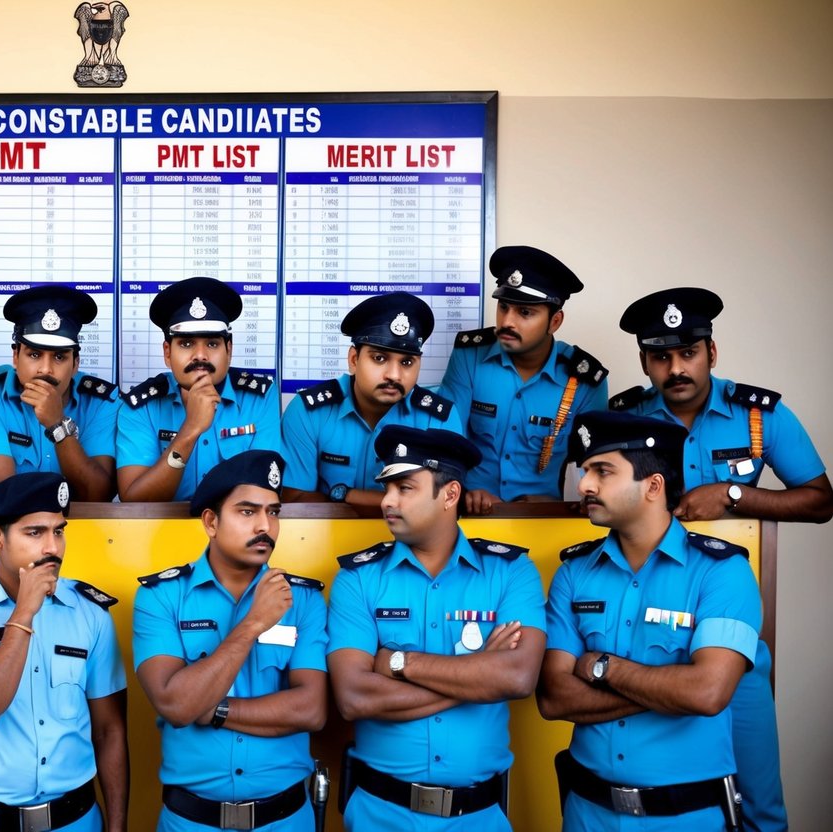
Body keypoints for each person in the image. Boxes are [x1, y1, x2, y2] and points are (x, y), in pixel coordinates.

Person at [611, 288, 833, 831]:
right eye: (661, 356)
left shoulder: (758, 416)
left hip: (729, 630)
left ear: (712, 351)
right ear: (644, 362)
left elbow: (821, 499)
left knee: (758, 804)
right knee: (651, 791)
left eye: (688, 352)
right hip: (642, 632)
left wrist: (734, 496)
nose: (676, 368)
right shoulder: (621, 417)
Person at [537, 410, 760, 831]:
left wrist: (601, 667)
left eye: (602, 471)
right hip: (587, 813)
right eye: (585, 471)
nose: (584, 485)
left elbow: (708, 694)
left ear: (653, 485)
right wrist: (670, 690)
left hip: (686, 818)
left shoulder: (722, 572)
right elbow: (554, 698)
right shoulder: (573, 573)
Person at [327, 425, 545, 830]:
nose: (387, 500)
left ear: (450, 494)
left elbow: (516, 677)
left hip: (477, 818)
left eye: (404, 487)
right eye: (386, 487)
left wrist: (395, 663)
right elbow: (354, 697)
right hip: (379, 814)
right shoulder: (357, 578)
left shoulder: (511, 572)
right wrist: (478, 675)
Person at [133, 450, 327, 830]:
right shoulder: (161, 597)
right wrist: (251, 624)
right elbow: (175, 704)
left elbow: (311, 710)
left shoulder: (302, 598)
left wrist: (214, 711)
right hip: (192, 821)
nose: (265, 526)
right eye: (247, 511)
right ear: (210, 521)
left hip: (286, 820)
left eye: (273, 512)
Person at [0, 472, 128, 832]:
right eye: (34, 533)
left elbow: (110, 730)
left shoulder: (90, 611)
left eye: (59, 531)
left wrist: (116, 827)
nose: (52, 547)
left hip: (76, 821)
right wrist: (23, 612)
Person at [440, 245, 609, 513]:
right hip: (470, 512)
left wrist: (559, 503)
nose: (507, 321)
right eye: (503, 306)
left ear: (555, 322)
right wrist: (464, 489)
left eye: (525, 312)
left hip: (543, 517)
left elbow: (598, 467)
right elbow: (445, 439)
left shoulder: (585, 381)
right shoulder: (469, 356)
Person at [280, 291, 463, 508]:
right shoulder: (307, 412)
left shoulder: (439, 419)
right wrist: (401, 504)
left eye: (406, 362)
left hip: (409, 542)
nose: (394, 375)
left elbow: (444, 505)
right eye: (379, 358)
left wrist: (345, 494)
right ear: (354, 360)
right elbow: (294, 501)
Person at [117, 277, 280, 502]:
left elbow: (265, 488)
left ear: (229, 350)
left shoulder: (260, 397)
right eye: (186, 343)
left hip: (234, 534)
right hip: (160, 534)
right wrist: (190, 429)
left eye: (212, 343)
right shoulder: (140, 407)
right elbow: (134, 500)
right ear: (167, 353)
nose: (201, 355)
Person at [0, 286, 119, 501]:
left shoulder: (101, 402)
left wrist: (57, 426)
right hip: (18, 531)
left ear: (76, 364)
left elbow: (97, 496)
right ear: (15, 357)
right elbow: (3, 494)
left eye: (60, 357)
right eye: (34, 354)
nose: (46, 369)